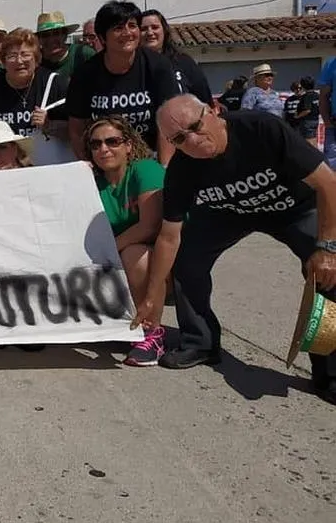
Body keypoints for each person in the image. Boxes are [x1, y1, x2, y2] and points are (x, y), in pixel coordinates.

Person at [134, 95, 336, 405]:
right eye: (179, 138)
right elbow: (169, 237)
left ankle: (329, 371)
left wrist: (326, 247)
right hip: (226, 212)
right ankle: (199, 341)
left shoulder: (261, 128)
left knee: (330, 272)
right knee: (188, 262)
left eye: (195, 126)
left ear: (214, 111)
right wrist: (151, 295)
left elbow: (328, 183)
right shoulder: (181, 169)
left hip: (294, 207)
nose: (192, 140)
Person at [85, 116, 166, 367]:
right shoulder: (92, 182)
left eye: (112, 141)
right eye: (95, 144)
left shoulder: (146, 169)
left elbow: (149, 225)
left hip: (161, 260)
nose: (103, 149)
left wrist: (109, 252)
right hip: (115, 261)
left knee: (136, 254)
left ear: (129, 145)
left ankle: (153, 334)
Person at [66, 0, 180, 163]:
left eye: (132, 26)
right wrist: (88, 166)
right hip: (104, 163)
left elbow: (169, 121)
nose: (127, 33)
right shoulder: (85, 74)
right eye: (118, 28)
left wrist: (163, 169)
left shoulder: (158, 66)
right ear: (102, 37)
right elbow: (76, 128)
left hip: (150, 158)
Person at [0, 28, 69, 141]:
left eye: (25, 54)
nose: (19, 61)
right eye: (12, 56)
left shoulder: (54, 83)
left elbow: (77, 129)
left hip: (47, 157)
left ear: (36, 58)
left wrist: (50, 125)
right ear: (4, 62)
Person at [139, 9, 213, 104]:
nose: (150, 32)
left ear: (164, 31)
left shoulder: (184, 62)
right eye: (144, 29)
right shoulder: (131, 66)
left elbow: (205, 100)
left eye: (155, 27)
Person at [35, 11, 95, 79]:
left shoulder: (83, 55)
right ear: (39, 39)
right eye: (45, 35)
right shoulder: (35, 62)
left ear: (65, 35)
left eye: (56, 33)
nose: (51, 39)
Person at [296, 76, 321, 148]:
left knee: (308, 142)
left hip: (307, 121)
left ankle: (312, 157)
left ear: (303, 86)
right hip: (315, 119)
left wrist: (298, 116)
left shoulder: (307, 96)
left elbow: (307, 110)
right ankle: (317, 156)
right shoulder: (317, 95)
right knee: (313, 139)